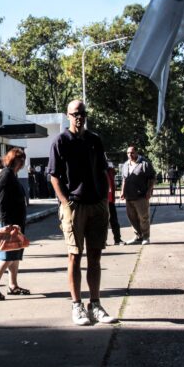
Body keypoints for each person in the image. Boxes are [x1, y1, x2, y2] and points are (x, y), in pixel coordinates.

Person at [48, 100, 117, 326]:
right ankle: (77, 305)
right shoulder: (61, 141)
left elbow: (103, 169)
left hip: (97, 204)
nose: (80, 117)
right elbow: (54, 176)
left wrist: (104, 198)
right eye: (76, 113)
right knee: (75, 256)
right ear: (68, 115)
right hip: (74, 205)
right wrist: (65, 203)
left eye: (83, 113)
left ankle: (95, 304)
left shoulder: (94, 140)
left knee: (95, 257)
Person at [0, 149, 30, 300]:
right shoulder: (6, 174)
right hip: (6, 221)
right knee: (8, 255)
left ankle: (13, 286)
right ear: (10, 159)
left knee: (15, 254)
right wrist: (7, 225)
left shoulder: (12, 174)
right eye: (18, 158)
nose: (21, 162)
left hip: (14, 221)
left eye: (22, 158)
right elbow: (0, 200)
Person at [121, 146, 156, 245]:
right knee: (132, 217)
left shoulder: (144, 163)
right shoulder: (126, 164)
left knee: (143, 217)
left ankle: (146, 237)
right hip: (129, 196)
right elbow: (124, 179)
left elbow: (152, 178)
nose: (130, 155)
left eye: (132, 153)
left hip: (141, 196)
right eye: (128, 153)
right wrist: (123, 192)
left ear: (136, 152)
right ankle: (138, 236)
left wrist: (149, 191)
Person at [106, 162, 123, 245]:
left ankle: (118, 239)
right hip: (102, 200)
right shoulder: (98, 170)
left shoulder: (110, 170)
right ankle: (102, 241)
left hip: (110, 200)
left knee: (114, 221)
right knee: (102, 222)